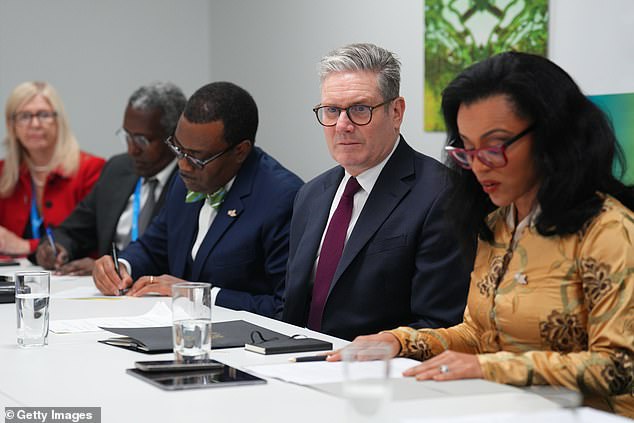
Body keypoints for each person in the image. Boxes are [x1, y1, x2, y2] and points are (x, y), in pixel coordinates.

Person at [329, 52, 634, 417]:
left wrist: (489, 368)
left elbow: (620, 367)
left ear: (553, 137)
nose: (478, 165)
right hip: (508, 409)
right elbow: (478, 334)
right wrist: (400, 340)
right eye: (467, 150)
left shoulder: (609, 230)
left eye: (495, 147)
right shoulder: (497, 224)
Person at [282, 43, 473, 341]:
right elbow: (292, 308)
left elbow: (440, 323)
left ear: (396, 112)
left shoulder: (441, 195)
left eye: (360, 109)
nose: (342, 125)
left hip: (381, 374)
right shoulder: (311, 194)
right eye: (331, 110)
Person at [92, 81, 303, 318]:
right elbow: (154, 246)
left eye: (196, 157)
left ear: (240, 151)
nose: (183, 166)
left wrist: (197, 294)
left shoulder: (282, 198)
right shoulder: (188, 178)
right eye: (179, 149)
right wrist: (121, 266)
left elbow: (285, 307)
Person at [35, 82, 186, 275]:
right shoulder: (118, 169)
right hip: (108, 297)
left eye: (142, 140)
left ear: (173, 139)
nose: (131, 149)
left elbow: (170, 257)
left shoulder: (190, 182)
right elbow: (73, 230)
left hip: (159, 297)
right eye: (127, 137)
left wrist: (117, 267)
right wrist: (56, 246)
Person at [0, 81, 105, 256]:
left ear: (59, 121)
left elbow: (93, 239)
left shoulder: (91, 169)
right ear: (12, 126)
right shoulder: (3, 173)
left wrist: (26, 247)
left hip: (75, 278)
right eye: (24, 116)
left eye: (43, 115)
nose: (35, 124)